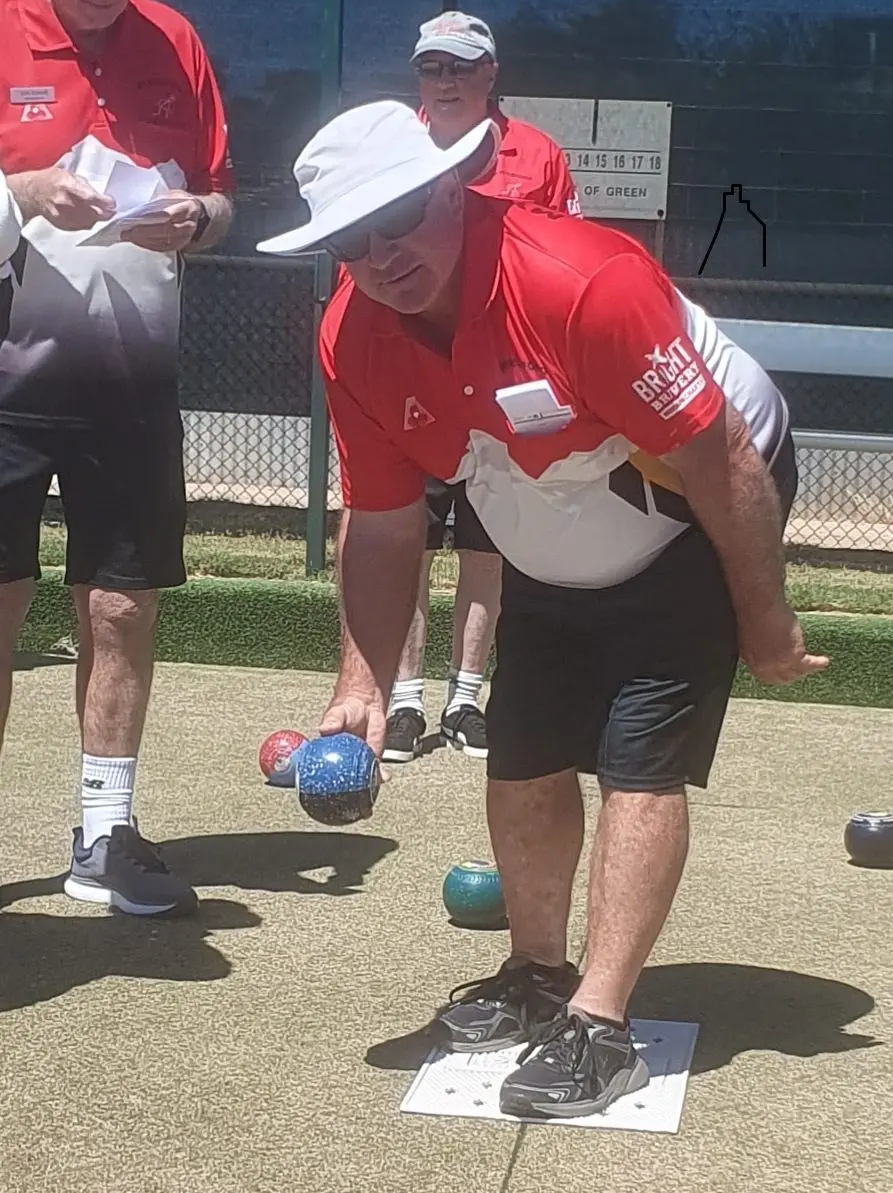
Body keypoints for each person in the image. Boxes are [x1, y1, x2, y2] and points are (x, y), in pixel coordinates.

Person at [259, 98, 828, 1120]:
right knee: (520, 750)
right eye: (352, 237)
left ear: (453, 188)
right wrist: (361, 678)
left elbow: (723, 459)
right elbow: (384, 524)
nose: (382, 252)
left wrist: (765, 619)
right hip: (551, 520)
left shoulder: (579, 281)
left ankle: (600, 1025)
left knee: (636, 754)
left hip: (691, 506)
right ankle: (535, 969)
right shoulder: (352, 337)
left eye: (400, 215)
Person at [0, 0, 233, 917]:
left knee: (122, 607)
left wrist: (200, 221)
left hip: (132, 384)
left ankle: (104, 833)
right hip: (6, 385)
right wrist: (22, 194)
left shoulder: (176, 41)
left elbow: (221, 197)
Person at [383, 10, 582, 765]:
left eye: (463, 66)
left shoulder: (538, 155)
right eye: (434, 66)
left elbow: (566, 259)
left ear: (491, 73)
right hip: (412, 375)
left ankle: (465, 698)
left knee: (488, 542)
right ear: (419, 76)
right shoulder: (391, 148)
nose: (448, 80)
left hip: (506, 380)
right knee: (406, 540)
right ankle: (403, 701)